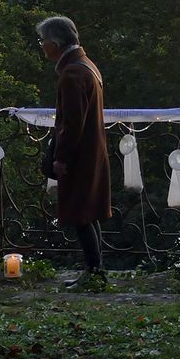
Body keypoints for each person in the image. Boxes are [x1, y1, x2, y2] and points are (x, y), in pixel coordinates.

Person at [37, 16, 111, 287]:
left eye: (43, 41)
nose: (42, 47)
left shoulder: (71, 75)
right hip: (92, 152)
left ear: (55, 44)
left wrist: (61, 158)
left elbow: (72, 123)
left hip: (79, 156)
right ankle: (96, 271)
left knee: (81, 214)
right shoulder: (86, 65)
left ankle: (93, 273)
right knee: (87, 212)